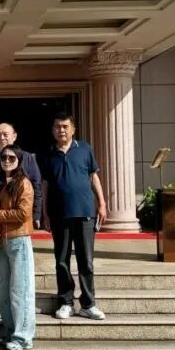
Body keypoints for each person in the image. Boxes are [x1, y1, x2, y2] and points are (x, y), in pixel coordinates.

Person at [40, 112, 108, 321]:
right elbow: (45, 185)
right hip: (59, 214)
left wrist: (102, 203)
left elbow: (93, 177)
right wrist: (45, 213)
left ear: (73, 129)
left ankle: (88, 304)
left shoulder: (85, 148)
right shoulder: (48, 153)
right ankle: (66, 302)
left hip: (85, 212)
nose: (61, 130)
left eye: (65, 126)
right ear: (53, 130)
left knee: (86, 260)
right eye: (57, 126)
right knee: (62, 260)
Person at [0, 146, 37, 350]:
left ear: (19, 160)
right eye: (3, 157)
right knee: (3, 292)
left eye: (11, 157)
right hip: (2, 243)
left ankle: (23, 337)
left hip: (19, 239)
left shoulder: (24, 183)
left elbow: (23, 213)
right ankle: (9, 331)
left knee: (20, 291)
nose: (7, 160)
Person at [0, 122, 44, 229]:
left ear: (14, 136)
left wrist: (36, 215)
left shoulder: (26, 157)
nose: (1, 137)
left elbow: (37, 186)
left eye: (5, 134)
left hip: (17, 220)